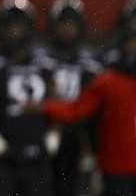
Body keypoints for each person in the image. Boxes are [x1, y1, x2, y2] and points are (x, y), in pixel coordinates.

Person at [0, 0, 58, 196]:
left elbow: (57, 104)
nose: (14, 33)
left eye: (19, 27)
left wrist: (53, 135)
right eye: (9, 27)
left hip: (37, 152)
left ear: (29, 28)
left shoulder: (45, 65)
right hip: (3, 155)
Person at [30, 21, 136, 195]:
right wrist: (44, 106)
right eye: (131, 44)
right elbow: (76, 110)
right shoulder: (108, 82)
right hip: (117, 169)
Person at [39, 0, 104, 196]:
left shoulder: (93, 64)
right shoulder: (38, 59)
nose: (67, 29)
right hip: (44, 132)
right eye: (63, 24)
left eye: (72, 24)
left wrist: (93, 144)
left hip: (79, 136)